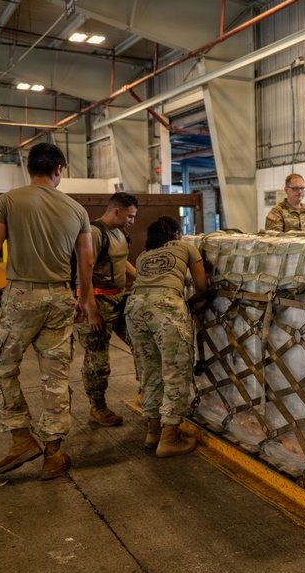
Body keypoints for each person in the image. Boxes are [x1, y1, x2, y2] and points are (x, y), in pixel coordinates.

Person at [0, 142, 98, 480]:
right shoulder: (77, 210)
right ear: (59, 171)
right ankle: (53, 453)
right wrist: (85, 300)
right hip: (62, 299)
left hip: (21, 299)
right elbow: (87, 261)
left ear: (29, 169)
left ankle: (22, 438)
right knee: (56, 376)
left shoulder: (7, 201)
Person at [125, 217, 209, 457]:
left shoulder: (143, 256)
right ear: (175, 234)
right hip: (166, 307)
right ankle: (170, 437)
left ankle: (152, 433)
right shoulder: (186, 248)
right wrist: (190, 303)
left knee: (149, 370)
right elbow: (202, 286)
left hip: (134, 308)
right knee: (176, 371)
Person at [75, 191, 138, 427]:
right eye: (130, 217)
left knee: (141, 343)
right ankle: (97, 407)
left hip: (120, 301)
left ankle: (146, 393)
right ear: (117, 211)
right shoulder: (94, 232)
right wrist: (90, 309)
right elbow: (85, 272)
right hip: (98, 303)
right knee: (97, 361)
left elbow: (123, 261)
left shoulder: (119, 232)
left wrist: (140, 278)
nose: (133, 222)